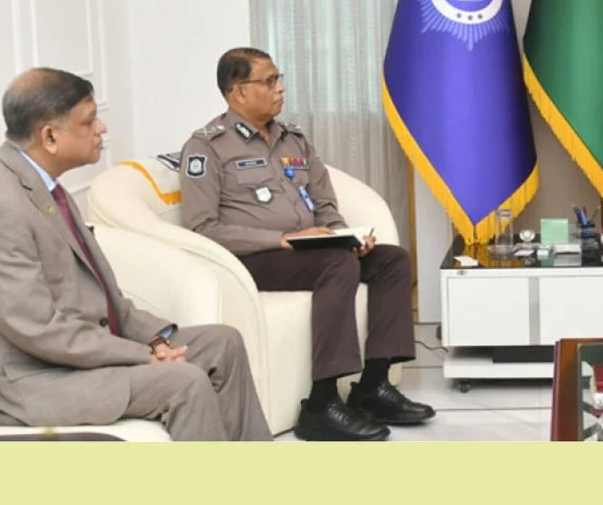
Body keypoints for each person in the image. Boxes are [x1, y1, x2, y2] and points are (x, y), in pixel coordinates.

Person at [0, 69, 271, 441]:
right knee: (183, 382)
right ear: (49, 136)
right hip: (31, 380)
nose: (102, 128)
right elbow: (39, 330)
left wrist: (155, 339)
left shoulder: (44, 187)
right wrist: (143, 356)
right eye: (89, 120)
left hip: (76, 354)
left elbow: (107, 301)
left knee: (223, 343)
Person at [180, 47, 434, 442]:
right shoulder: (207, 147)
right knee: (337, 265)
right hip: (254, 260)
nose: (280, 88)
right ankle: (321, 404)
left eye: (278, 79)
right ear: (238, 91)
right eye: (269, 81)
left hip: (309, 251)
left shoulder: (293, 139)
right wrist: (281, 240)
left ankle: (373, 387)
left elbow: (324, 202)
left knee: (392, 261)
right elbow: (203, 228)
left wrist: (345, 235)